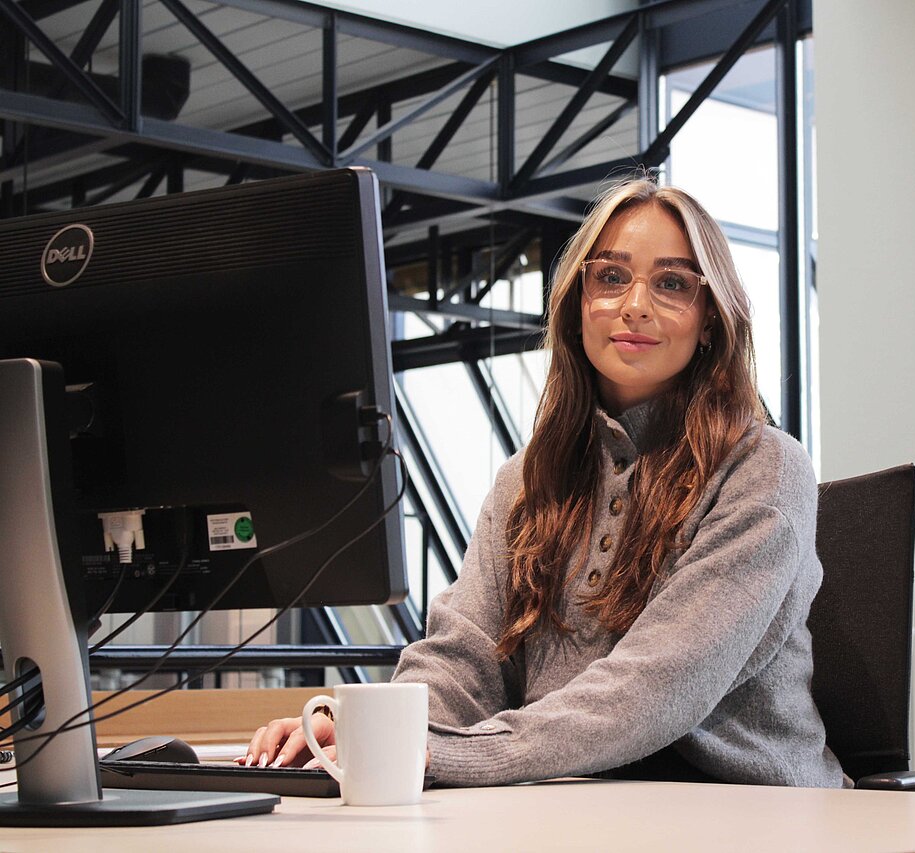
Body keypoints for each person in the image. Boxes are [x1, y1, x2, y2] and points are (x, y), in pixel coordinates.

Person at [243, 178, 848, 788]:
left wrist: (446, 755)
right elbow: (465, 656)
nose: (635, 303)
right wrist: (372, 729)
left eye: (671, 284)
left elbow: (657, 687)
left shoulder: (764, 470)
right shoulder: (528, 481)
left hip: (747, 813)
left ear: (711, 320)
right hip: (576, 801)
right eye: (610, 277)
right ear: (577, 304)